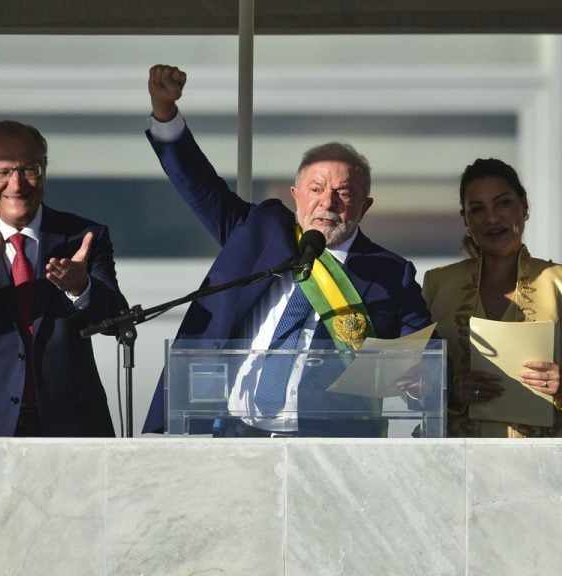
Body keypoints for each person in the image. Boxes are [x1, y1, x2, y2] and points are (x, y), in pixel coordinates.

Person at [142, 64, 434, 436]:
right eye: (316, 189)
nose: (327, 202)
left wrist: (421, 377)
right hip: (232, 435)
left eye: (343, 194)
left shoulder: (390, 273)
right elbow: (198, 185)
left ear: (365, 206)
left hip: (328, 447)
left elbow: (424, 354)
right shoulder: (259, 232)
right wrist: (165, 113)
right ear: (296, 197)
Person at [0, 120, 127, 437]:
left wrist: (80, 288)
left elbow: (117, 318)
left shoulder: (83, 237)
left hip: (71, 427)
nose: (16, 184)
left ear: (43, 169)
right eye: (2, 172)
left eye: (29, 169)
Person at [422, 158, 562, 437]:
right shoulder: (437, 284)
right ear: (466, 219)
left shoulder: (558, 282)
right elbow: (411, 382)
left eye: (503, 203)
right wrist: (450, 391)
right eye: (477, 209)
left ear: (524, 206)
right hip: (459, 463)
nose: (491, 218)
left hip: (545, 464)